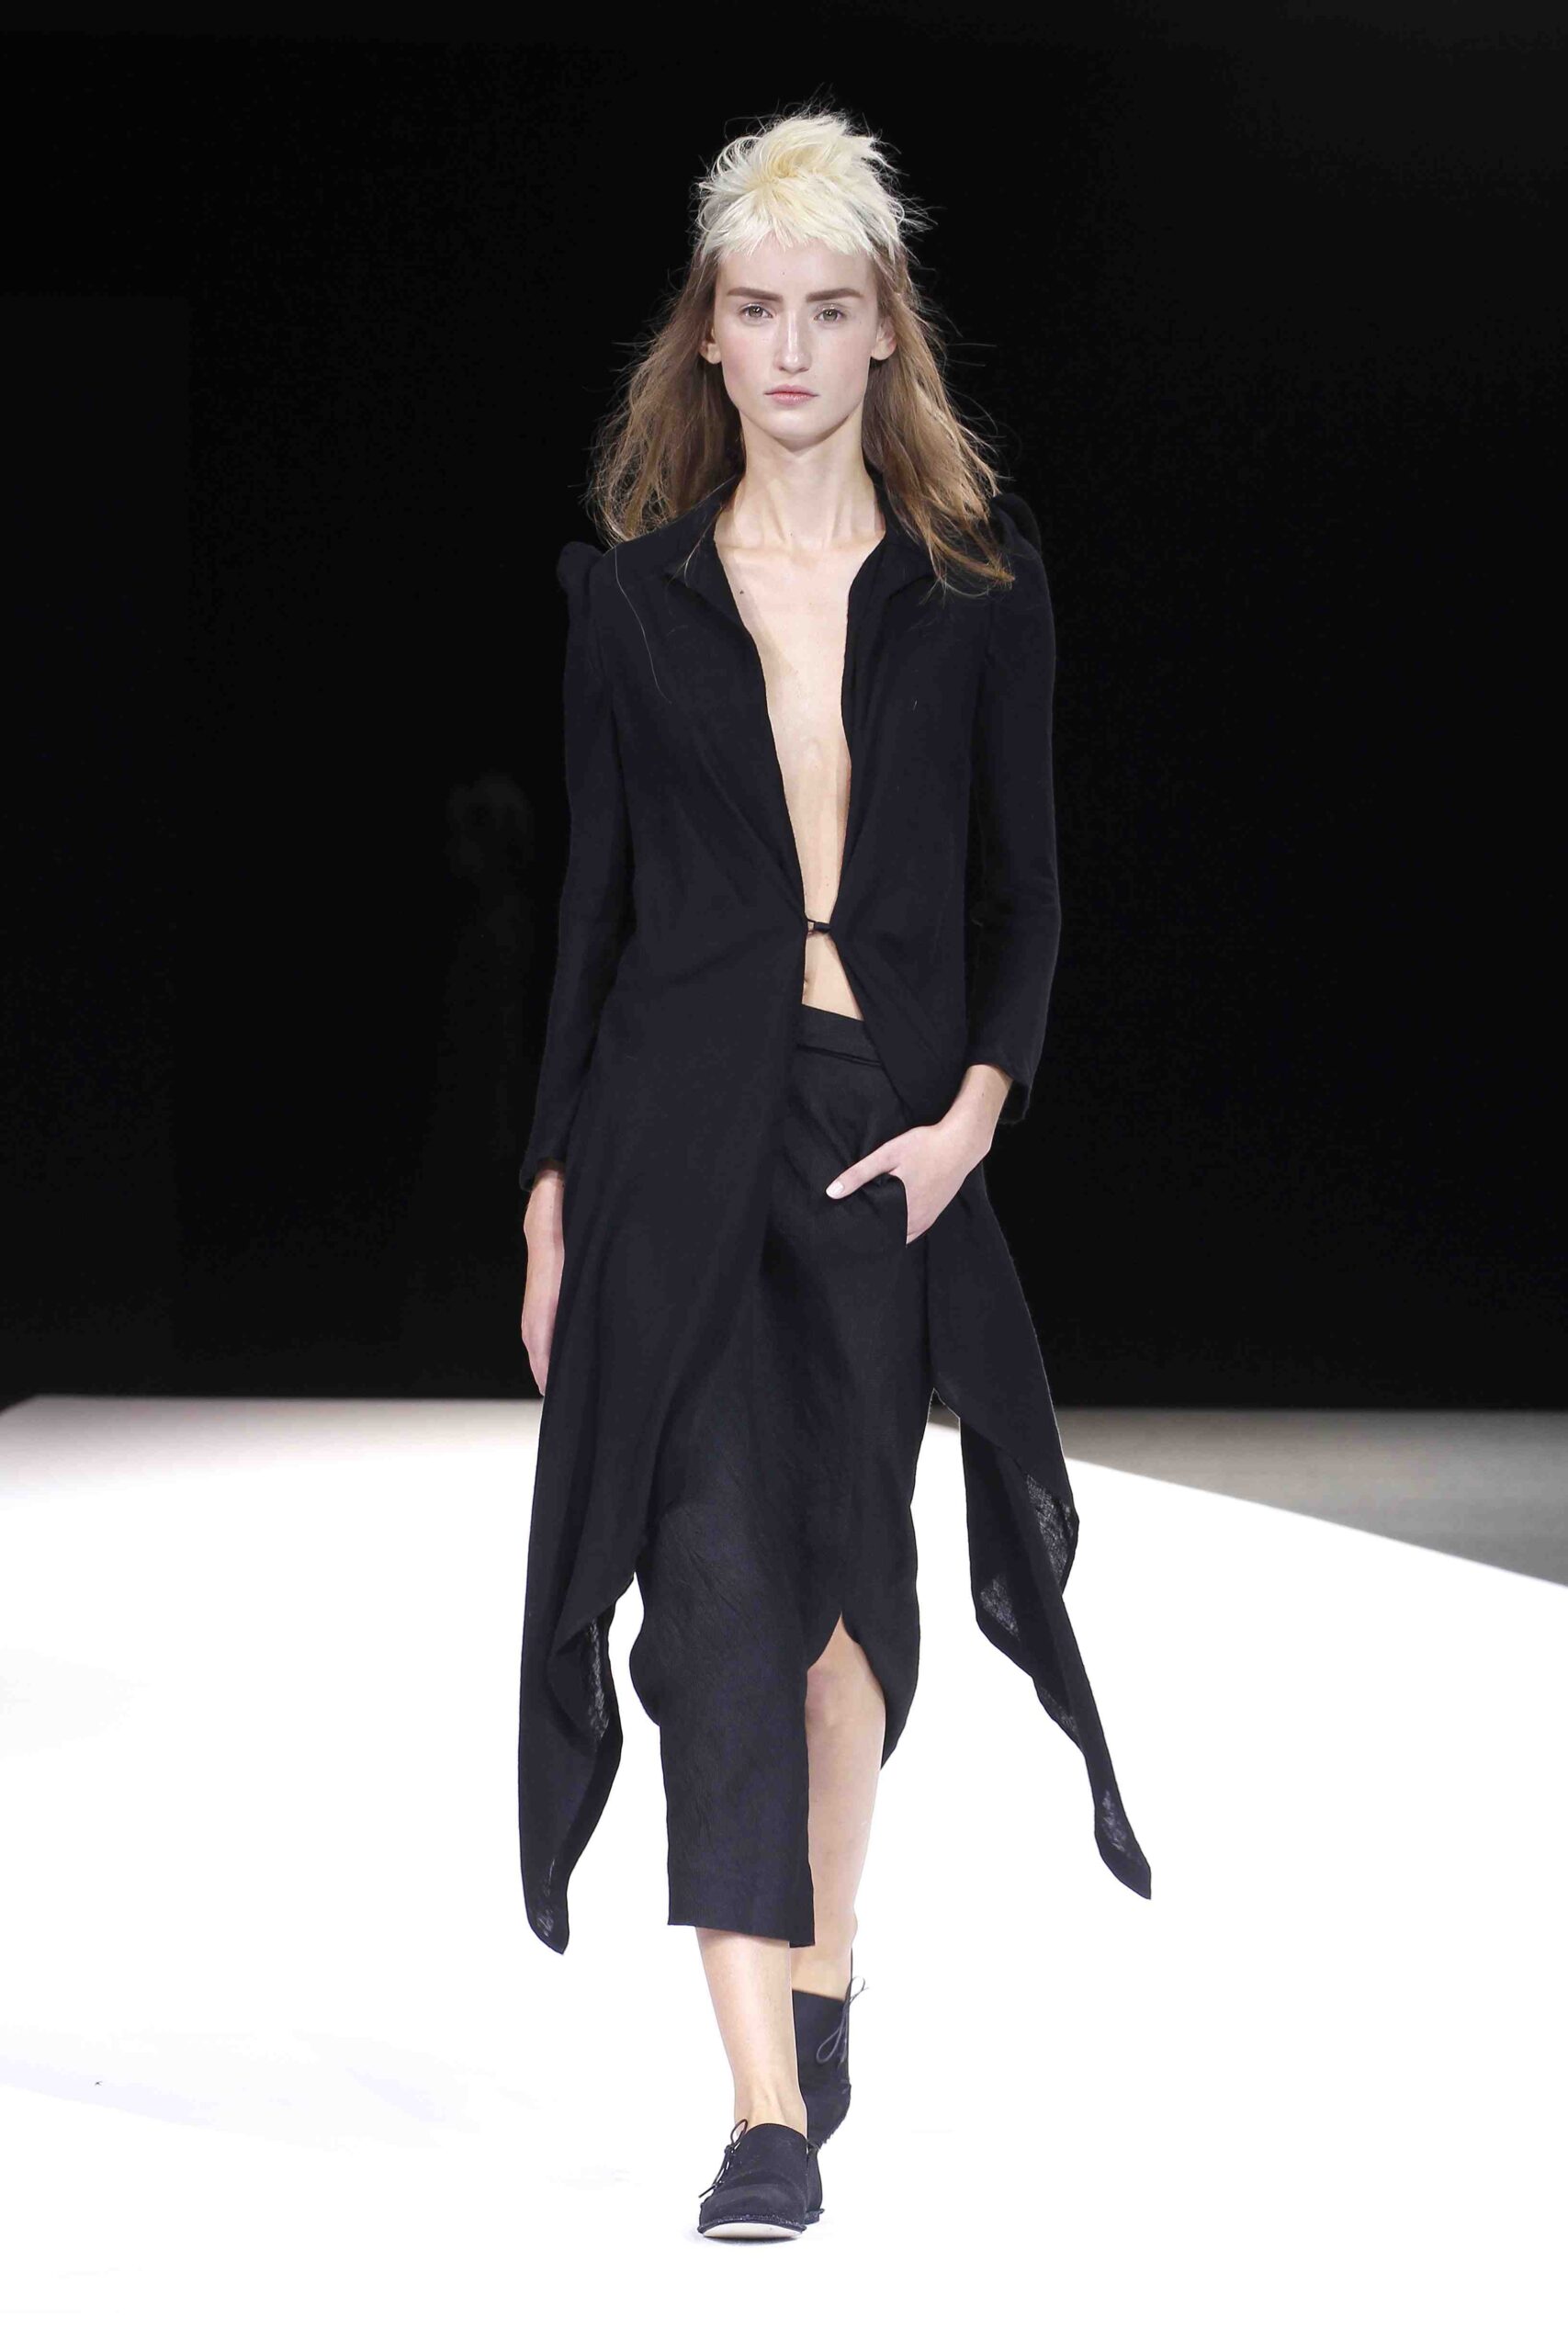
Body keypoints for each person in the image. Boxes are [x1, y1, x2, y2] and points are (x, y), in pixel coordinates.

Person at [517, 107, 1151, 2242]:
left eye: (826, 309)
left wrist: (969, 1117)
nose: (787, 349)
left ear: (885, 331)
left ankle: (828, 1947)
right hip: (668, 1134)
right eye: (752, 309)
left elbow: (1026, 896)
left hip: (879, 1138)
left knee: (839, 1610)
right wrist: (546, 1189)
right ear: (704, 336)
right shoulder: (632, 602)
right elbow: (590, 914)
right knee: (708, 1583)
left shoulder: (973, 592)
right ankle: (763, 2111)